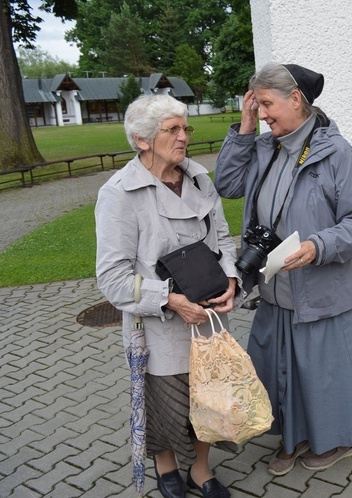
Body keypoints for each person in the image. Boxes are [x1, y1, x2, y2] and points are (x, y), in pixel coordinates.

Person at [213, 63, 352, 475]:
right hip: (273, 286)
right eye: (258, 105)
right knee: (281, 370)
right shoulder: (267, 147)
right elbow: (228, 184)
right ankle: (293, 437)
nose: (264, 112)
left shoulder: (336, 153)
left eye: (267, 104)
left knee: (322, 374)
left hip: (318, 287)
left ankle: (337, 440)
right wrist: (246, 127)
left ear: (296, 99)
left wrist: (317, 245)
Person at [95, 94, 237, 498]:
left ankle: (201, 469)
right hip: (160, 325)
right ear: (142, 139)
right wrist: (171, 300)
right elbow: (112, 278)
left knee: (209, 400)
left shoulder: (198, 179)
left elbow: (223, 240)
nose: (184, 137)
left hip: (210, 317)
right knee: (166, 405)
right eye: (172, 129)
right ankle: (166, 466)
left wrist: (230, 280)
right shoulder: (120, 194)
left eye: (185, 128)